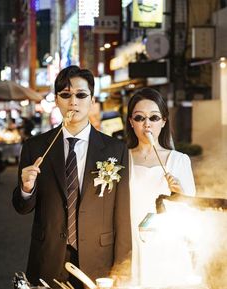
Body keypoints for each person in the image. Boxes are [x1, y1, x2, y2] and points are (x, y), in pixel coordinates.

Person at [12, 65, 131, 288]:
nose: (73, 102)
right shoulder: (35, 147)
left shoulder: (115, 150)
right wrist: (26, 189)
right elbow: (22, 207)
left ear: (92, 100)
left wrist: (122, 267)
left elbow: (122, 214)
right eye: (66, 95)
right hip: (48, 257)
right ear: (57, 100)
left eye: (81, 95)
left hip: (99, 259)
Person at [126, 87, 196, 287]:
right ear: (131, 122)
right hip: (131, 240)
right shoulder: (120, 159)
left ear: (164, 121)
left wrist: (180, 193)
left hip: (166, 242)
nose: (147, 124)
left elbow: (191, 210)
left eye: (154, 118)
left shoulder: (179, 161)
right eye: (139, 118)